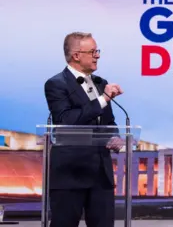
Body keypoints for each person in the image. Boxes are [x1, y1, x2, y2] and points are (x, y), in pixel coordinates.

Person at [44, 32, 125, 227]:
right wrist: (103, 99)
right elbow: (65, 120)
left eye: (97, 51)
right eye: (93, 51)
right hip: (70, 173)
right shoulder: (56, 84)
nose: (97, 55)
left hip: (100, 175)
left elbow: (109, 122)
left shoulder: (100, 83)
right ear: (76, 55)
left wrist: (116, 137)